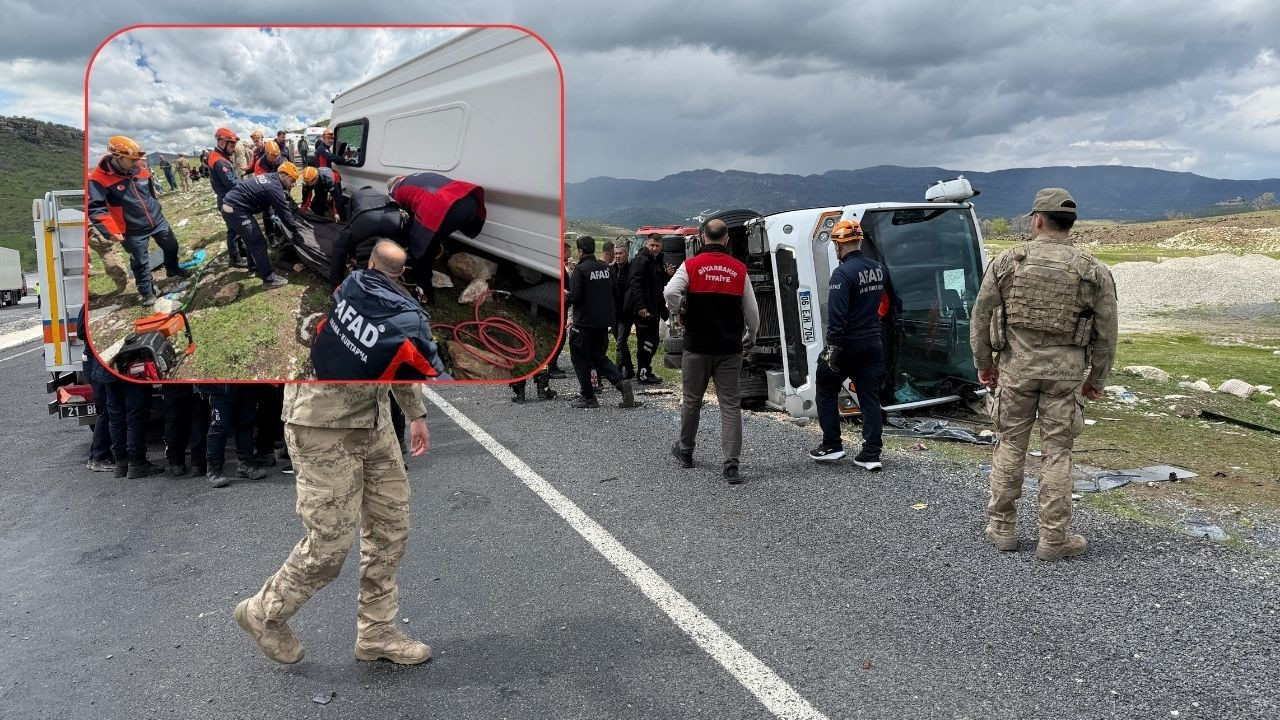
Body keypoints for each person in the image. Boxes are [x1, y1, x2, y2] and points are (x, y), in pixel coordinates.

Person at [235, 382, 433, 666]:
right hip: (321, 426)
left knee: (390, 531)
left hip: (376, 423)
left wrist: (415, 413)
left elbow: (400, 349)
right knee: (328, 547)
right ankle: (263, 613)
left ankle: (376, 632)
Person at [971, 188, 1118, 561]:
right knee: (1058, 454)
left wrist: (984, 363)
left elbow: (981, 314)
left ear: (1037, 219)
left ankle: (1002, 529)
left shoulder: (1008, 261)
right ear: (1070, 224)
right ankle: (1053, 539)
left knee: (1010, 445)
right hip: (1065, 376)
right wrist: (1096, 379)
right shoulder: (1093, 270)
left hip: (1015, 371)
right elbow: (1107, 331)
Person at [663, 219, 759, 484]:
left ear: (703, 238)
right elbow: (752, 310)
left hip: (697, 347)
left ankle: (685, 451)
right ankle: (731, 465)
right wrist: (751, 334)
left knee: (692, 400)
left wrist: (678, 308)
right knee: (730, 404)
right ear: (727, 240)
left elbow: (670, 290)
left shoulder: (691, 265)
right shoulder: (739, 269)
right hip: (729, 348)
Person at [808, 220, 888, 471]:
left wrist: (832, 348)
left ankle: (832, 445)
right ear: (860, 241)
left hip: (846, 344)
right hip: (873, 343)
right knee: (869, 397)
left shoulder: (842, 274)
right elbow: (885, 303)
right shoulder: (878, 268)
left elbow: (837, 315)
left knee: (825, 386)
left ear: (837, 244)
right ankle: (871, 453)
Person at [311, 240, 450, 381]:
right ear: (402, 271)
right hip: (355, 390)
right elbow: (432, 368)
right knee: (443, 379)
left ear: (371, 263)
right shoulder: (412, 320)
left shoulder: (350, 280)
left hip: (319, 360)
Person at [87, 135, 191, 307]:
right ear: (117, 157)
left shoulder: (140, 169)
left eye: (138, 159)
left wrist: (156, 208)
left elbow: (150, 192)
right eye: (132, 160)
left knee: (172, 246)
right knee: (140, 262)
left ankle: (172, 268)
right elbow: (96, 208)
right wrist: (111, 231)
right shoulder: (98, 179)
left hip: (157, 221)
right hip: (131, 229)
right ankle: (147, 292)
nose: (136, 163)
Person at [387, 173, 486, 302]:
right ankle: (434, 259)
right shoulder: (416, 177)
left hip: (444, 206)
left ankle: (424, 294)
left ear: (391, 187)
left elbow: (398, 218)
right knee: (433, 239)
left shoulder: (397, 191)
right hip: (470, 201)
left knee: (421, 251)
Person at [565, 236, 639, 409]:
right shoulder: (606, 269)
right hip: (602, 323)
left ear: (580, 251)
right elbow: (614, 292)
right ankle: (620, 382)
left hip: (583, 324)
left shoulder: (580, 270)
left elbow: (576, 297)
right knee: (598, 357)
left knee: (580, 359)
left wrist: (566, 296)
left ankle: (588, 396)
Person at [220, 162, 300, 287]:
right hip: (235, 209)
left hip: (232, 206)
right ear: (284, 175)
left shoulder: (272, 178)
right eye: (292, 180)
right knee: (258, 242)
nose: (293, 184)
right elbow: (284, 212)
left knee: (251, 239)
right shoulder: (274, 187)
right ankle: (269, 279)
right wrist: (295, 231)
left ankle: (254, 267)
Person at [327, 186, 406, 287]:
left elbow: (349, 222)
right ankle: (389, 279)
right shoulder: (380, 194)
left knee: (339, 246)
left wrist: (352, 255)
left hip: (368, 219)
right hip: (394, 218)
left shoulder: (356, 195)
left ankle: (336, 284)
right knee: (387, 251)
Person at [627, 233, 670, 384]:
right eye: (652, 245)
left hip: (654, 308)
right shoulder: (641, 260)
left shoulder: (656, 261)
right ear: (646, 244)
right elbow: (635, 284)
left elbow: (656, 284)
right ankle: (643, 374)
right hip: (643, 310)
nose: (654, 248)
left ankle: (645, 370)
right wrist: (641, 307)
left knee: (653, 340)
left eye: (657, 246)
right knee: (646, 341)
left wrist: (667, 275)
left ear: (661, 246)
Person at [202, 384, 264, 488]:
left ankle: (246, 465)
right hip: (221, 385)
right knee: (219, 427)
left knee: (246, 424)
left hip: (246, 383)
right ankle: (214, 471)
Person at [207, 127, 250, 268]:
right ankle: (235, 259)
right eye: (231, 146)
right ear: (221, 142)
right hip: (227, 200)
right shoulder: (220, 161)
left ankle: (240, 250)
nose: (233, 149)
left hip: (227, 198)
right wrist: (247, 187)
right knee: (233, 229)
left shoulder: (221, 157)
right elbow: (231, 183)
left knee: (236, 228)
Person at [162, 385, 209, 477]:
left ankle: (176, 464)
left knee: (173, 420)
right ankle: (198, 464)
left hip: (171, 378)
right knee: (198, 419)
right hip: (195, 381)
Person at [611, 239, 634, 379]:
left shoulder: (631, 269)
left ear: (626, 254)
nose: (618, 256)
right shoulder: (611, 269)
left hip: (626, 313)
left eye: (620, 253)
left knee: (620, 342)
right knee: (621, 343)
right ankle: (629, 368)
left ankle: (617, 370)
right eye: (616, 254)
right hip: (613, 312)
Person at [87, 224, 130, 295]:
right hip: (95, 230)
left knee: (109, 255)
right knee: (109, 255)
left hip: (94, 230)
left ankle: (123, 283)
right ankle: (123, 283)